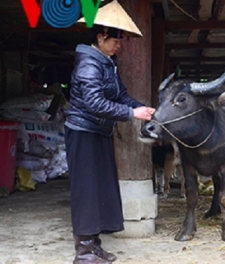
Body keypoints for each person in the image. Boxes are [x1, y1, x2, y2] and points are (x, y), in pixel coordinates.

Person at [64, 2, 152, 263]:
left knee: (100, 188)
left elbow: (120, 95)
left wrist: (140, 107)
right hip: (83, 132)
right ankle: (84, 252)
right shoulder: (88, 65)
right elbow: (94, 103)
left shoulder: (107, 63)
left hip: (98, 131)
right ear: (100, 37)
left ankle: (94, 245)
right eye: (115, 40)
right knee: (86, 190)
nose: (119, 45)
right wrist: (131, 114)